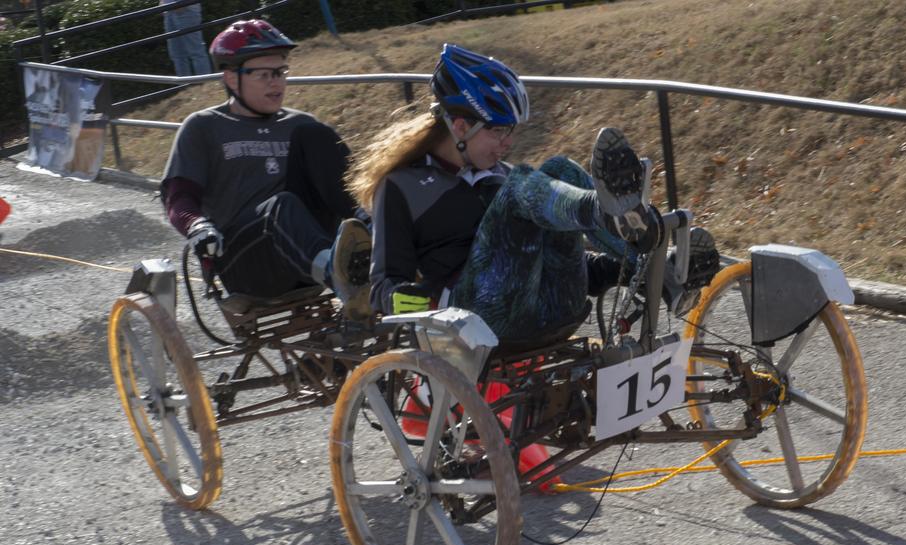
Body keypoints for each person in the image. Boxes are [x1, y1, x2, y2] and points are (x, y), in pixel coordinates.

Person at [344, 43, 718, 340]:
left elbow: (548, 260)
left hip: (552, 311)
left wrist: (613, 271)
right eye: (498, 131)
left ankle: (656, 268)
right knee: (526, 186)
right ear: (460, 127)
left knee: (557, 169)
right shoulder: (402, 187)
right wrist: (414, 300)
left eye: (511, 132)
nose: (507, 142)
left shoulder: (502, 176)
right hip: (473, 320)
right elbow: (383, 288)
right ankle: (616, 219)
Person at [160, 19, 370, 306]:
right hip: (246, 263)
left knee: (315, 134)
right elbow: (178, 198)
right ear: (232, 78)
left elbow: (344, 182)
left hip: (309, 249)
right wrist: (197, 226)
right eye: (264, 74)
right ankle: (343, 279)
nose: (277, 82)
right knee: (280, 206)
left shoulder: (299, 124)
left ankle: (373, 247)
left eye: (281, 72)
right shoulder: (203, 126)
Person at [159, 0, 213, 77]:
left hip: (186, 10)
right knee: (177, 54)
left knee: (195, 52)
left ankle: (204, 82)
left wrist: (183, 5)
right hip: (170, 11)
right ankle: (186, 85)